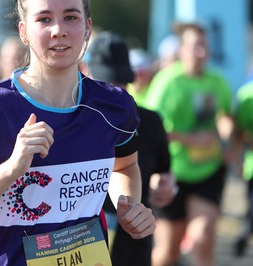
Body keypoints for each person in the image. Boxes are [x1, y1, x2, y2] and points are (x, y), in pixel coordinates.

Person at [0, 0, 156, 265]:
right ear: (24, 31)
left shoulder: (115, 105)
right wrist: (10, 169)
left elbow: (125, 165)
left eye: (71, 17)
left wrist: (127, 204)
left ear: (87, 28)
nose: (58, 30)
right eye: (44, 19)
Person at [145, 22, 233, 266]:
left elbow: (225, 115)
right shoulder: (167, 83)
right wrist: (190, 139)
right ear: (182, 50)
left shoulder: (217, 81)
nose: (202, 53)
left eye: (205, 46)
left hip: (208, 171)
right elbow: (151, 130)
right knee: (167, 253)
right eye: (196, 47)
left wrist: (227, 135)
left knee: (200, 240)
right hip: (173, 174)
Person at [87, 30, 176, 266]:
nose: (116, 93)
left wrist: (166, 187)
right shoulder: (74, 124)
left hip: (134, 242)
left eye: (122, 83)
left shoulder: (150, 121)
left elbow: (164, 174)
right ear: (86, 77)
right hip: (83, 240)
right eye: (107, 84)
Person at [232, 80, 253, 257]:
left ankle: (243, 236)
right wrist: (238, 162)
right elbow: (239, 132)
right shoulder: (247, 95)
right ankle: (243, 236)